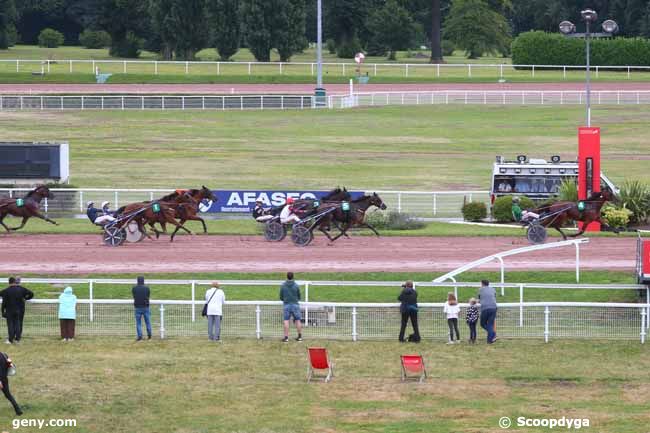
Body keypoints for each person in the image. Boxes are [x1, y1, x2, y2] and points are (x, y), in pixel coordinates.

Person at [0, 277, 34, 345]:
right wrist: (26, 298)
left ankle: (10, 339)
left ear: (9, 283)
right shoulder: (21, 289)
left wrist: (2, 311)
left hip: (9, 310)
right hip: (19, 310)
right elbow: (31, 293)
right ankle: (17, 339)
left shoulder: (6, 291)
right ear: (15, 282)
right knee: (18, 324)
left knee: (10, 325)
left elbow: (4, 302)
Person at [279, 272, 302, 342]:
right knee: (298, 320)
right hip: (295, 305)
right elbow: (299, 296)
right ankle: (299, 336)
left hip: (286, 305)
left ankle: (286, 337)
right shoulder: (296, 285)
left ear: (287, 277)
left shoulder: (283, 285)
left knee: (286, 321)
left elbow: (281, 297)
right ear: (293, 277)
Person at [132, 276, 152, 341]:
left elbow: (134, 296)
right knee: (148, 322)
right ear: (143, 281)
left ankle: (140, 336)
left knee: (138, 323)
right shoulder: (147, 288)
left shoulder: (134, 288)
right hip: (146, 307)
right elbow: (148, 296)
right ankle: (149, 335)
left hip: (137, 307)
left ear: (137, 281)